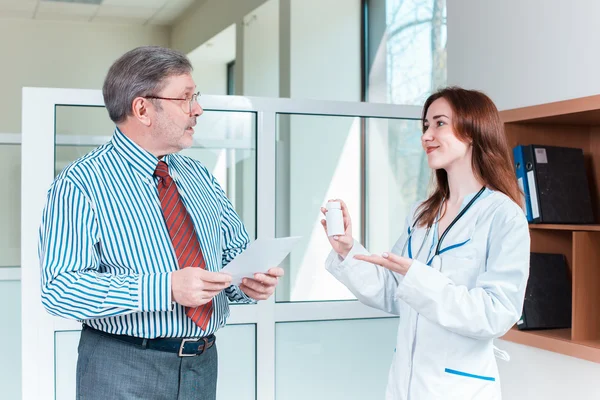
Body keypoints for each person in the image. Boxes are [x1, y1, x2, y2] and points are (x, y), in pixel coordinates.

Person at [38, 46, 283, 400]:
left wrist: (247, 283)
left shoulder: (198, 176)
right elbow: (59, 290)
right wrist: (164, 288)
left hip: (201, 363)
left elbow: (231, 258)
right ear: (142, 109)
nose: (197, 109)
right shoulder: (79, 185)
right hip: (121, 368)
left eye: (195, 97)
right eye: (185, 98)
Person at [321, 86, 530, 400]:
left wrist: (419, 279)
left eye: (439, 123)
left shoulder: (504, 216)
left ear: (472, 130)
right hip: (405, 384)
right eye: (425, 126)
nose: (426, 135)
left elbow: (497, 313)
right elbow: (395, 292)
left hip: (460, 388)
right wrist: (349, 250)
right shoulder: (422, 213)